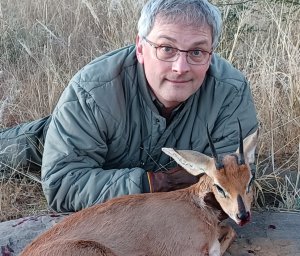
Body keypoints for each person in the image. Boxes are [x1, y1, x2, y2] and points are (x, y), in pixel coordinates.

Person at [0, 0, 258, 213]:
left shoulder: (231, 92)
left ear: (211, 53)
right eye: (166, 48)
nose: (181, 68)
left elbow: (237, 179)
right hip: (56, 140)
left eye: (197, 52)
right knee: (13, 152)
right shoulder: (92, 91)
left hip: (116, 166)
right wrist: (157, 183)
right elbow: (63, 185)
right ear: (140, 48)